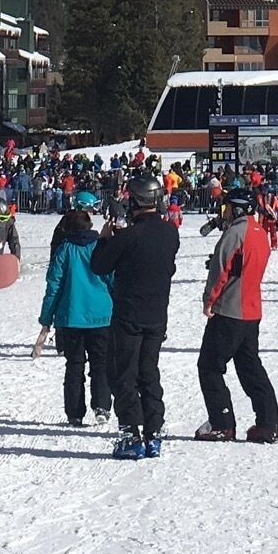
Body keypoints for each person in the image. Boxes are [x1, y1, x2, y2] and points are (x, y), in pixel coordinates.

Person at [90, 173, 180, 459]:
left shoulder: (129, 236)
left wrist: (105, 240)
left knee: (124, 374)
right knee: (148, 371)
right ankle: (154, 430)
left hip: (129, 313)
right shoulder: (170, 232)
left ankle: (131, 433)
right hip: (157, 313)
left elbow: (100, 266)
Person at [195, 185, 278, 442]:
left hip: (231, 308)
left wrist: (209, 300)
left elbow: (221, 268)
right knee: (250, 366)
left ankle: (222, 423)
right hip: (251, 309)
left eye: (228, 207)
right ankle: (268, 423)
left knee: (209, 365)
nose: (226, 212)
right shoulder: (259, 231)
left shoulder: (236, 232)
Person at [36, 190, 115, 428]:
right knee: (100, 364)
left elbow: (54, 286)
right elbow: (113, 279)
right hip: (101, 315)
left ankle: (74, 412)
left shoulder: (64, 250)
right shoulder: (101, 247)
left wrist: (46, 318)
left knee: (74, 366)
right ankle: (102, 406)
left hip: (70, 316)